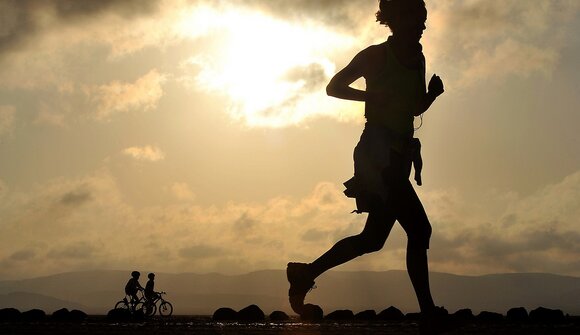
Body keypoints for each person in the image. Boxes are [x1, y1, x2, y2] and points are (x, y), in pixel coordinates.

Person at [287, 0, 446, 331]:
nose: (421, 25)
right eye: (415, 18)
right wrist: (371, 98)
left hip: (399, 156)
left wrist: (431, 96)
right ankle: (428, 312)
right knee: (420, 229)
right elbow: (334, 87)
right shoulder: (375, 56)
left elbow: (412, 107)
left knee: (373, 239)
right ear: (393, 19)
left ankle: (306, 272)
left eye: (424, 19)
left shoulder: (418, 58)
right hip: (377, 154)